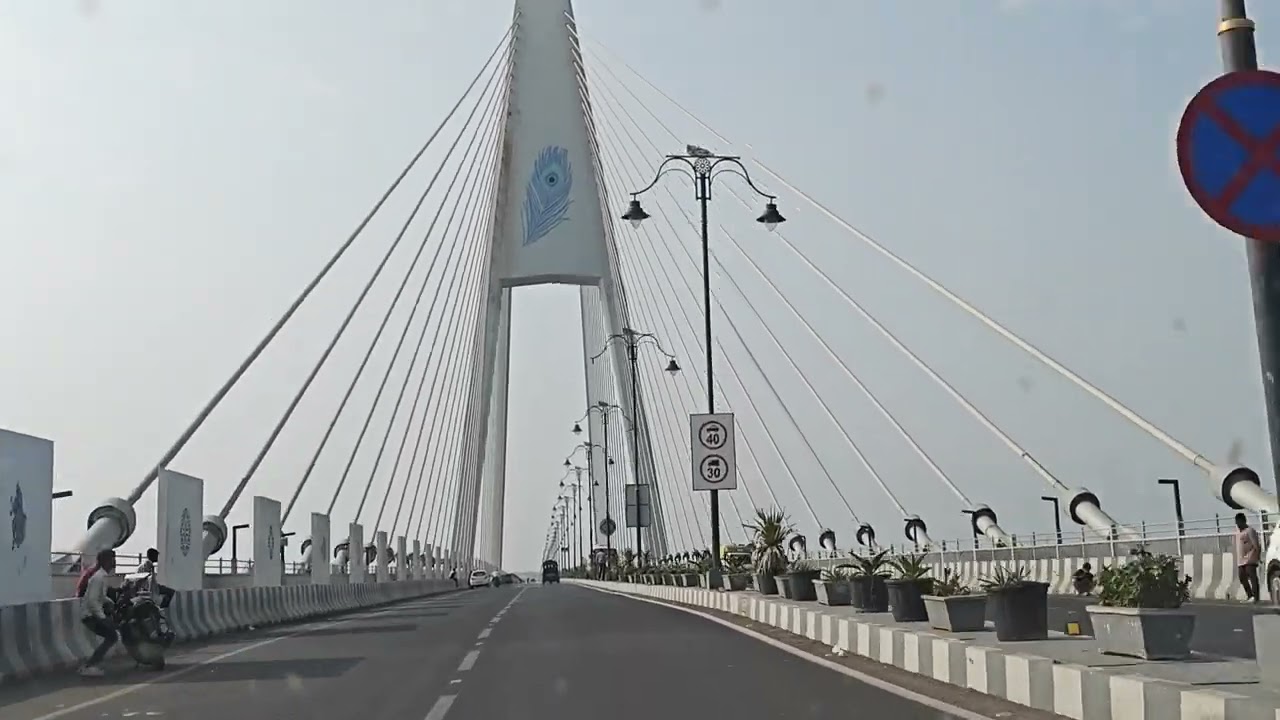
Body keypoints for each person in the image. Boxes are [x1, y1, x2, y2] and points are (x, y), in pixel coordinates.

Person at [79, 549, 118, 677]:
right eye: (112, 559)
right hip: (90, 616)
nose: (115, 562)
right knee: (112, 636)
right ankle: (89, 666)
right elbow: (92, 601)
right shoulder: (99, 577)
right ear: (105, 561)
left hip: (91, 614)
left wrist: (110, 601)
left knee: (112, 636)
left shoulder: (101, 576)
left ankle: (89, 665)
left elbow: (100, 596)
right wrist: (102, 618)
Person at [1235, 512, 1262, 603]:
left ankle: (1256, 597)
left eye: (1239, 522)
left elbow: (1256, 545)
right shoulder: (1237, 532)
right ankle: (1250, 595)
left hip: (1250, 558)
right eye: (1236, 522)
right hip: (1241, 559)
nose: (1238, 525)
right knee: (1242, 577)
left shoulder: (1250, 531)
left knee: (1252, 577)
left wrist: (1258, 556)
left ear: (1244, 521)